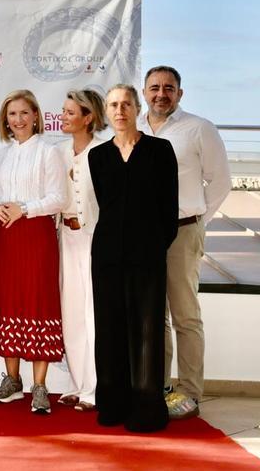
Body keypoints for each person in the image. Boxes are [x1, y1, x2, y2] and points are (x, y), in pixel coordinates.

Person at [139, 66, 231, 420]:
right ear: (144, 92)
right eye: (154, 87)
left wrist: (196, 223)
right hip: (145, 236)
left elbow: (220, 182)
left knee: (185, 315)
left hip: (182, 231)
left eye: (169, 88)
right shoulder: (135, 129)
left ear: (180, 93)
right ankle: (158, 387)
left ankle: (190, 392)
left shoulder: (199, 128)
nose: (161, 93)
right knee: (153, 316)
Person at [89, 84, 178, 432]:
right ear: (106, 112)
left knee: (147, 330)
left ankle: (146, 408)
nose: (120, 110)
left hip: (148, 256)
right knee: (109, 328)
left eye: (126, 103)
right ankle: (112, 404)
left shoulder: (160, 150)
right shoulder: (98, 156)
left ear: (137, 107)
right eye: (113, 105)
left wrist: (154, 246)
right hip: (107, 253)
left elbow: (168, 209)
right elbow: (108, 207)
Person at [0, 89, 67, 415]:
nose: (17, 119)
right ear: (6, 119)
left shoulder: (48, 152)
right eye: (12, 114)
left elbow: (59, 198)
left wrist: (25, 209)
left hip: (36, 236)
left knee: (37, 302)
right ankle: (13, 380)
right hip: (4, 238)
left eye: (23, 113)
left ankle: (40, 386)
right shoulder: (1, 154)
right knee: (9, 302)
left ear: (36, 117)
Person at [56, 89, 107, 412]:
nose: (63, 116)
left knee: (94, 313)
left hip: (95, 240)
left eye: (70, 112)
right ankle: (78, 384)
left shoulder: (105, 152)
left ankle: (97, 387)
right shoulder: (58, 152)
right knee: (72, 311)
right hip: (65, 238)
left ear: (88, 118)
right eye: (63, 111)